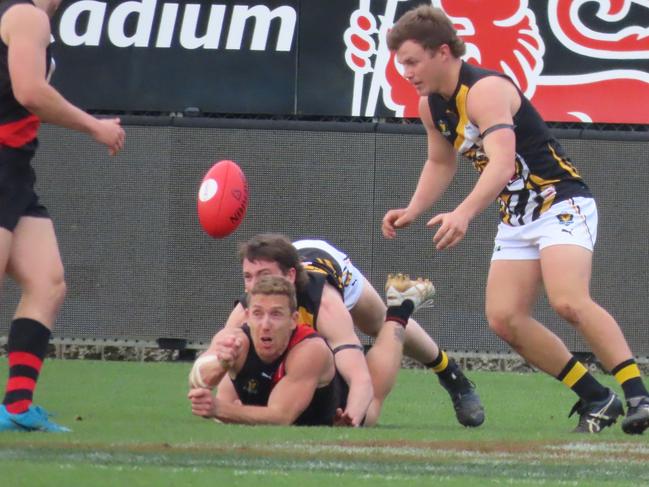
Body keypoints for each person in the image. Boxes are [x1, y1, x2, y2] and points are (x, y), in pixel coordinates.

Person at [382, 5, 649, 434]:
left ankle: (639, 394)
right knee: (504, 319)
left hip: (559, 200)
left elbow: (503, 164)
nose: (406, 72)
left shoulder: (485, 89)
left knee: (567, 300)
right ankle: (597, 398)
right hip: (517, 217)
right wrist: (414, 209)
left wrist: (464, 213)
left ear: (443, 52)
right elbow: (440, 161)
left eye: (412, 61)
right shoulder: (431, 106)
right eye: (401, 64)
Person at [196, 233, 484, 427]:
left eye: (263, 276)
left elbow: (360, 379)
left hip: (328, 265)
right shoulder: (250, 306)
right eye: (248, 277)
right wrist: (216, 362)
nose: (254, 285)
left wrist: (354, 417)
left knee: (377, 327)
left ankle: (403, 310)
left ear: (290, 276)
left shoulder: (326, 304)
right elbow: (203, 371)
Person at [0, 0, 125, 432]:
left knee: (47, 283)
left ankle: (16, 407)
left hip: (14, 173)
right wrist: (96, 127)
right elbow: (29, 92)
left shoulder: (36, 22)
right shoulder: (25, 14)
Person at [188, 275, 347, 425]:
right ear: (247, 317)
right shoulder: (236, 340)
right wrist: (221, 365)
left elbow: (281, 416)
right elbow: (198, 378)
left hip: (341, 414)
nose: (265, 325)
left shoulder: (310, 349)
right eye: (258, 314)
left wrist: (220, 409)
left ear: (293, 320)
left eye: (276, 314)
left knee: (367, 412)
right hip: (267, 413)